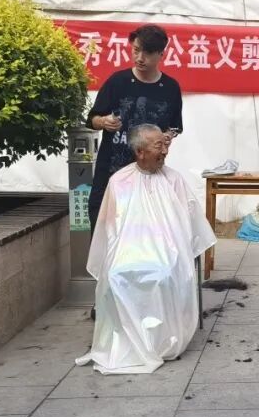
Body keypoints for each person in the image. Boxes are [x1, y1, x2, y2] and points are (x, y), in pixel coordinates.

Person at [77, 124, 216, 374]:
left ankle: (161, 340)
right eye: (158, 146)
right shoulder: (119, 181)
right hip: (128, 248)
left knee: (163, 273)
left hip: (169, 249)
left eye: (165, 145)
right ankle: (126, 337)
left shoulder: (174, 180)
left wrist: (175, 244)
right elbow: (110, 226)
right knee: (115, 275)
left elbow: (189, 220)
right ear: (140, 152)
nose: (165, 151)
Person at [86, 24, 184, 232]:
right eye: (136, 50)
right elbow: (92, 119)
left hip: (149, 175)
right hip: (111, 172)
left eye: (147, 53)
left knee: (145, 231)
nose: (139, 58)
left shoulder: (170, 88)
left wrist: (167, 136)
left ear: (161, 54)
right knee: (104, 226)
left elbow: (175, 126)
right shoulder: (117, 82)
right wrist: (104, 122)